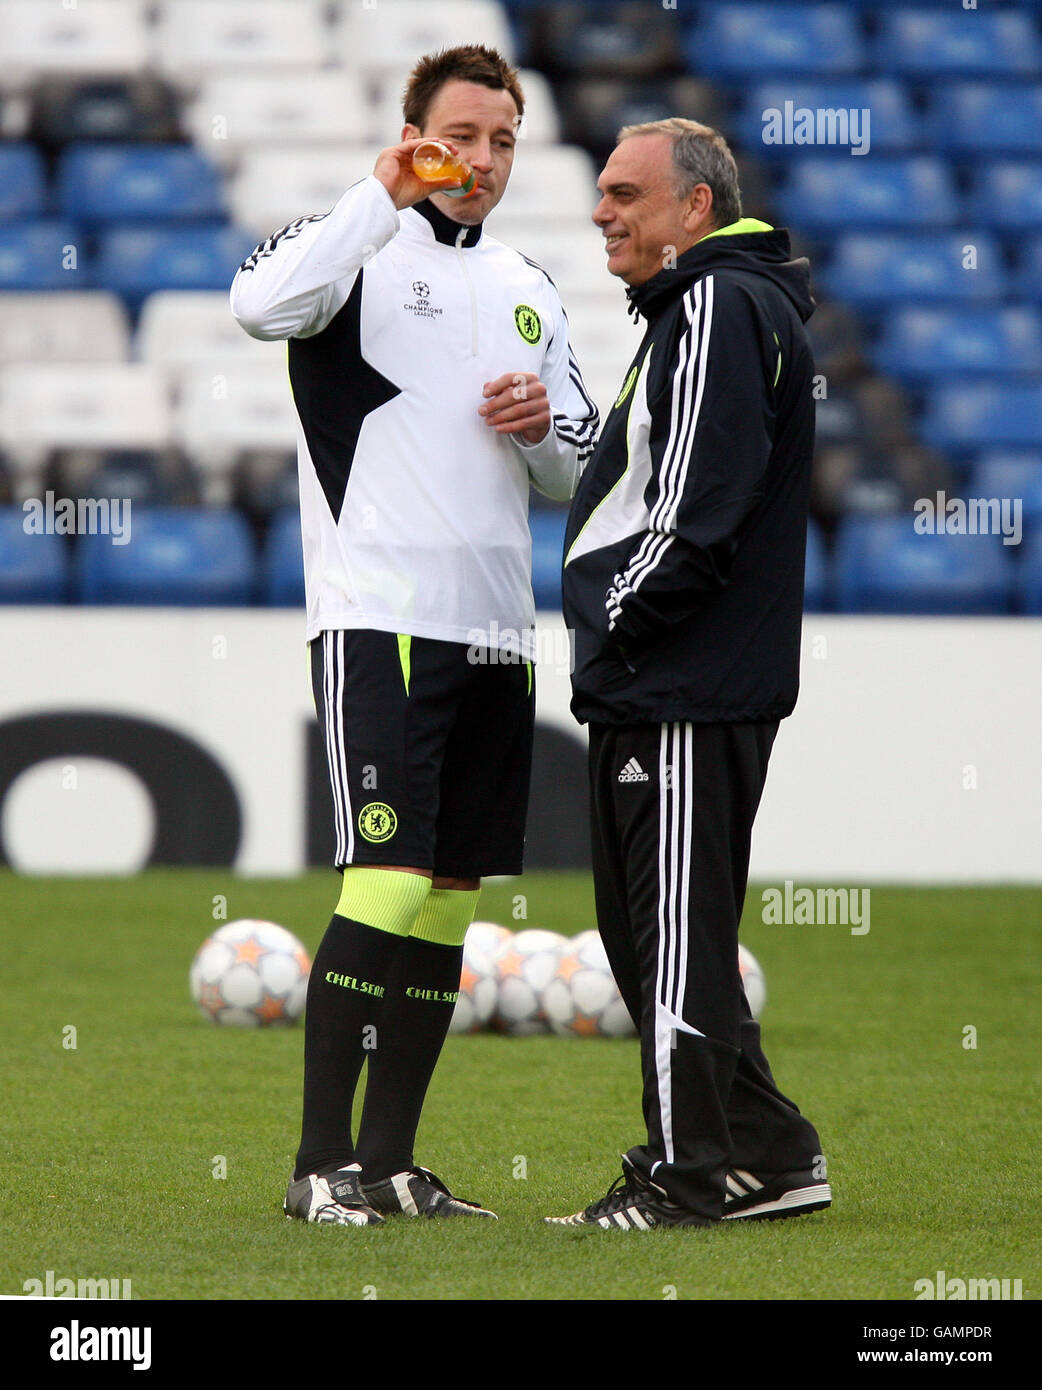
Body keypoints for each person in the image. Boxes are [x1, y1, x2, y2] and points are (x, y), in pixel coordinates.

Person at [231, 45, 598, 1226]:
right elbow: (255, 305)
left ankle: (388, 1165)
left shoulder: (531, 281)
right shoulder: (350, 254)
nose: (480, 160)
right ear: (413, 134)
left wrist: (545, 427)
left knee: (446, 902)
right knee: (384, 880)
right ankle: (313, 1167)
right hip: (379, 621)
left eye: (500, 139)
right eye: (458, 136)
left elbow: (577, 461)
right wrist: (377, 193)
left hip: (494, 634)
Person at [550, 118, 830, 1229]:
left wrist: (614, 623)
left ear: (693, 210)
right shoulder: (706, 305)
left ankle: (688, 1175)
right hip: (677, 683)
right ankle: (769, 1151)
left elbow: (694, 512)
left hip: (679, 683)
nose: (600, 210)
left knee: (665, 936)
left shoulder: (713, 303)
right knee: (665, 934)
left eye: (624, 193)